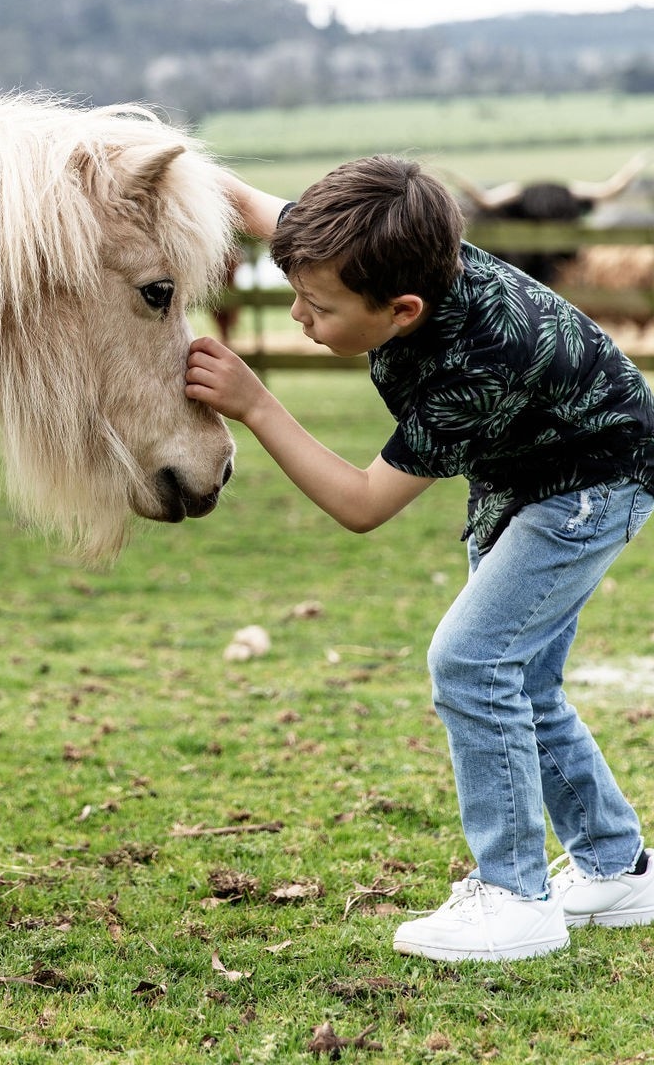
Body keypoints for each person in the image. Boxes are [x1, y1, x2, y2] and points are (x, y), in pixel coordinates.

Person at [185, 154, 654, 962]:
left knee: (472, 664)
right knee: (524, 678)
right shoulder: (366, 244)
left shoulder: (478, 360)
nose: (297, 314)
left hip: (590, 485)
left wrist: (256, 404)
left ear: (403, 309)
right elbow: (234, 195)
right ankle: (617, 868)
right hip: (525, 472)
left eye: (318, 306)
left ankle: (514, 899)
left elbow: (364, 505)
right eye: (293, 290)